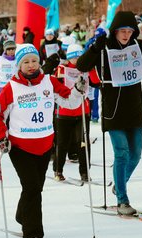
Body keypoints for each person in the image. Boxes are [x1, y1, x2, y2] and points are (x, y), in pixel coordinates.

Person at [76, 11, 142, 215]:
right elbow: (82, 65)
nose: (126, 35)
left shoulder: (137, 47)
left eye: (130, 31)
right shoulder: (105, 47)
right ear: (115, 31)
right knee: (121, 153)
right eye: (122, 31)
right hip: (113, 110)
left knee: (136, 154)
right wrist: (95, 46)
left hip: (134, 109)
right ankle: (123, 199)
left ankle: (118, 183)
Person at [0, 44, 87, 238]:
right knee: (32, 188)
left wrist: (79, 90)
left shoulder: (49, 81)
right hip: (20, 147)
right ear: (19, 65)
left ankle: (22, 215)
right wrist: (2, 137)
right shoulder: (11, 87)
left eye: (34, 61)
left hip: (45, 145)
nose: (30, 65)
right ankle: (33, 233)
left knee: (35, 188)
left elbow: (69, 102)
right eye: (25, 62)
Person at [52, 43, 91, 182]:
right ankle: (58, 170)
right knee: (62, 143)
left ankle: (85, 172)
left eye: (79, 56)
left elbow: (92, 84)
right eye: (74, 57)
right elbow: (55, 87)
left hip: (82, 111)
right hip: (64, 112)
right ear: (69, 57)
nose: (77, 59)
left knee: (83, 143)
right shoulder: (61, 69)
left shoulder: (86, 69)